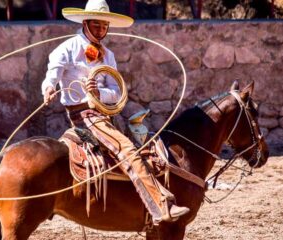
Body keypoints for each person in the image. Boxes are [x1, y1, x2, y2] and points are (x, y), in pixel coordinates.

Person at [42, 0, 189, 224]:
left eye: (104, 26)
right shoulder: (66, 49)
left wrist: (100, 93)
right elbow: (52, 76)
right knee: (126, 149)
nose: (101, 30)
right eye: (96, 25)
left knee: (146, 143)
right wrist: (49, 89)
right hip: (85, 117)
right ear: (85, 22)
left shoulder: (108, 55)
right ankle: (160, 205)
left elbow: (117, 90)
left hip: (107, 114)